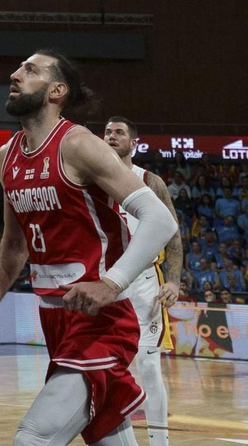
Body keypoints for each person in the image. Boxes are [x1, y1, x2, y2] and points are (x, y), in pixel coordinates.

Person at [0, 52, 177, 446]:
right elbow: (15, 243)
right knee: (108, 436)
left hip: (101, 319)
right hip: (55, 319)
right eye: (18, 68)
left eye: (30, 70)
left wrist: (111, 284)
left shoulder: (79, 144)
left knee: (32, 438)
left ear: (57, 91)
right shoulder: (6, 156)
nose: (14, 74)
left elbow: (161, 220)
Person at [103, 116, 184, 446]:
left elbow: (174, 237)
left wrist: (175, 281)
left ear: (133, 143)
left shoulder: (150, 181)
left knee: (149, 365)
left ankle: (159, 442)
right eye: (107, 132)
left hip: (144, 282)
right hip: (105, 281)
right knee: (107, 365)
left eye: (119, 132)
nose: (111, 136)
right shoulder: (89, 179)